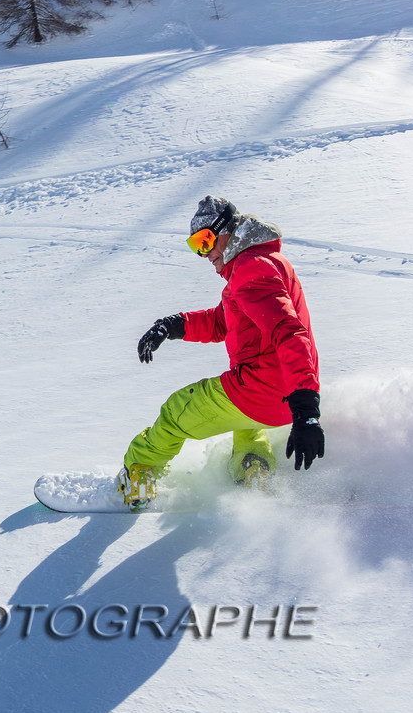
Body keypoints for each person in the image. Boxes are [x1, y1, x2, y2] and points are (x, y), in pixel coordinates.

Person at [119, 195, 324, 510]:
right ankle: (253, 469)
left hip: (276, 392)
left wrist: (307, 410)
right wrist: (172, 326)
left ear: (227, 231)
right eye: (195, 246)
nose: (204, 254)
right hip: (282, 396)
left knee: (176, 411)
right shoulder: (260, 263)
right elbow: (224, 321)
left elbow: (289, 332)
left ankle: (139, 476)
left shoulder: (250, 269)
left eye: (205, 241)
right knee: (246, 420)